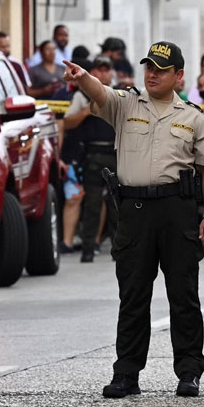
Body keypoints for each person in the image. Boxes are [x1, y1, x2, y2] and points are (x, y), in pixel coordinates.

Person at [61, 41, 204, 398]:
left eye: (161, 69)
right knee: (133, 295)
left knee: (184, 295)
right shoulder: (127, 103)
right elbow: (99, 93)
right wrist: (82, 76)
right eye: (149, 67)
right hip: (134, 211)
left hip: (177, 210)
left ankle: (189, 371)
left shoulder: (192, 116)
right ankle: (127, 373)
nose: (152, 74)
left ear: (179, 76)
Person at [63, 56, 117, 262]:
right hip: (93, 155)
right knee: (92, 204)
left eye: (107, 69)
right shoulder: (82, 97)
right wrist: (86, 112)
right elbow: (67, 123)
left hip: (116, 154)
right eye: (99, 70)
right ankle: (88, 249)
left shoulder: (118, 94)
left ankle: (118, 248)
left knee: (117, 205)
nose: (103, 74)